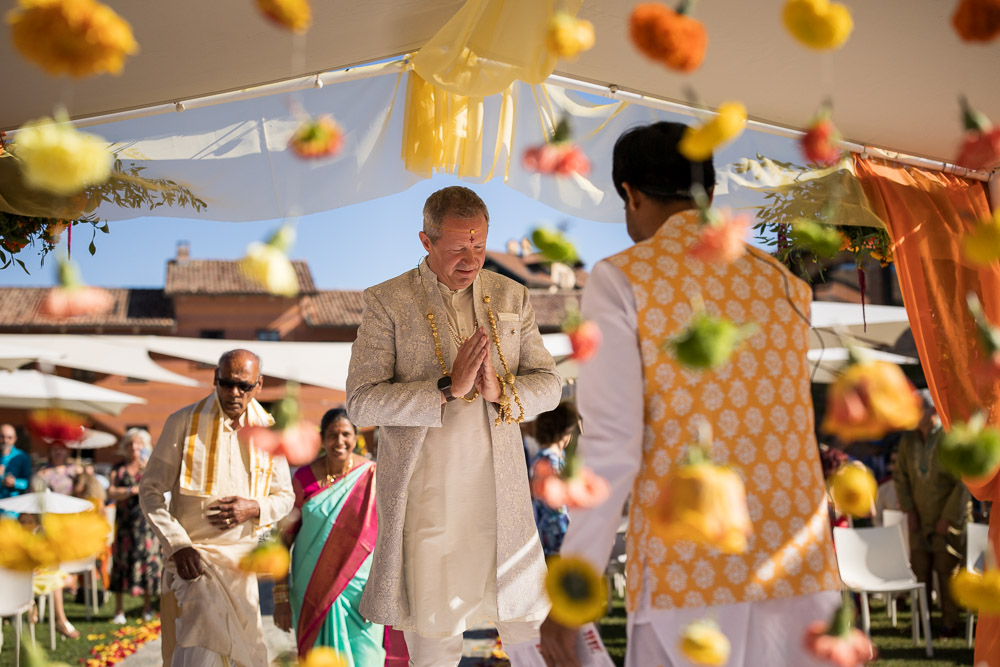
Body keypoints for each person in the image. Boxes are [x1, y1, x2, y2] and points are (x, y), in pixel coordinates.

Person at [540, 122, 842, 667]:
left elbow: (612, 446)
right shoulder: (784, 283)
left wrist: (574, 592)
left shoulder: (623, 278)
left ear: (630, 194)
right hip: (798, 561)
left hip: (691, 574)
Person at [346, 186, 562, 667]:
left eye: (480, 245)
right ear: (425, 241)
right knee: (435, 639)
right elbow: (360, 402)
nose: (472, 258)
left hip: (501, 496)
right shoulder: (387, 301)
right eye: (458, 247)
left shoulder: (513, 295)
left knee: (528, 635)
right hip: (428, 499)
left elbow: (550, 384)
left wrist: (500, 391)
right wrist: (445, 387)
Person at [140, 349, 294, 667]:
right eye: (226, 383)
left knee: (247, 656)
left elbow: (285, 497)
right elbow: (151, 491)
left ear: (259, 385)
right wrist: (178, 545)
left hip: (242, 568)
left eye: (244, 386)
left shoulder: (268, 430)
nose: (234, 393)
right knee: (201, 644)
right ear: (215, 379)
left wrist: (254, 507)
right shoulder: (183, 422)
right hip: (195, 563)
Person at [273, 408, 408, 665]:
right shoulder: (303, 478)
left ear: (355, 437)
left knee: (366, 657)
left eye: (345, 434)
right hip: (312, 590)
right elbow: (282, 540)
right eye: (332, 435)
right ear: (322, 438)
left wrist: (384, 589)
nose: (339, 442)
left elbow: (392, 538)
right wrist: (280, 597)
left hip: (361, 592)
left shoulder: (373, 476)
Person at [894, 389, 971, 637]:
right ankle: (921, 622)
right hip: (919, 517)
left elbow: (964, 482)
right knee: (920, 569)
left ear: (933, 411)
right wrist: (908, 510)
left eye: (919, 409)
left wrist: (948, 517)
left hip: (948, 519)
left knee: (946, 569)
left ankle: (950, 623)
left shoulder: (952, 438)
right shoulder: (908, 440)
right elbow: (900, 477)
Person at [108, 428, 162, 624]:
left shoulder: (150, 467)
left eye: (138, 443)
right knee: (122, 562)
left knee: (147, 562)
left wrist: (147, 471)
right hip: (125, 522)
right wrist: (132, 490)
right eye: (131, 443)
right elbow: (111, 492)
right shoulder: (119, 469)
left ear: (144, 446)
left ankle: (147, 607)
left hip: (146, 523)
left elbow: (157, 490)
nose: (134, 447)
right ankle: (119, 610)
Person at [530, 402, 579, 557]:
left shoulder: (555, 458)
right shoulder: (548, 461)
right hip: (558, 545)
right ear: (565, 430)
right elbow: (556, 509)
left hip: (561, 542)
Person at [0, 423, 31, 507]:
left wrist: (15, 482)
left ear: (15, 439)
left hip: (13, 506)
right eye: (2, 436)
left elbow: (29, 482)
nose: (5, 440)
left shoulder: (22, 457)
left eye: (9, 437)